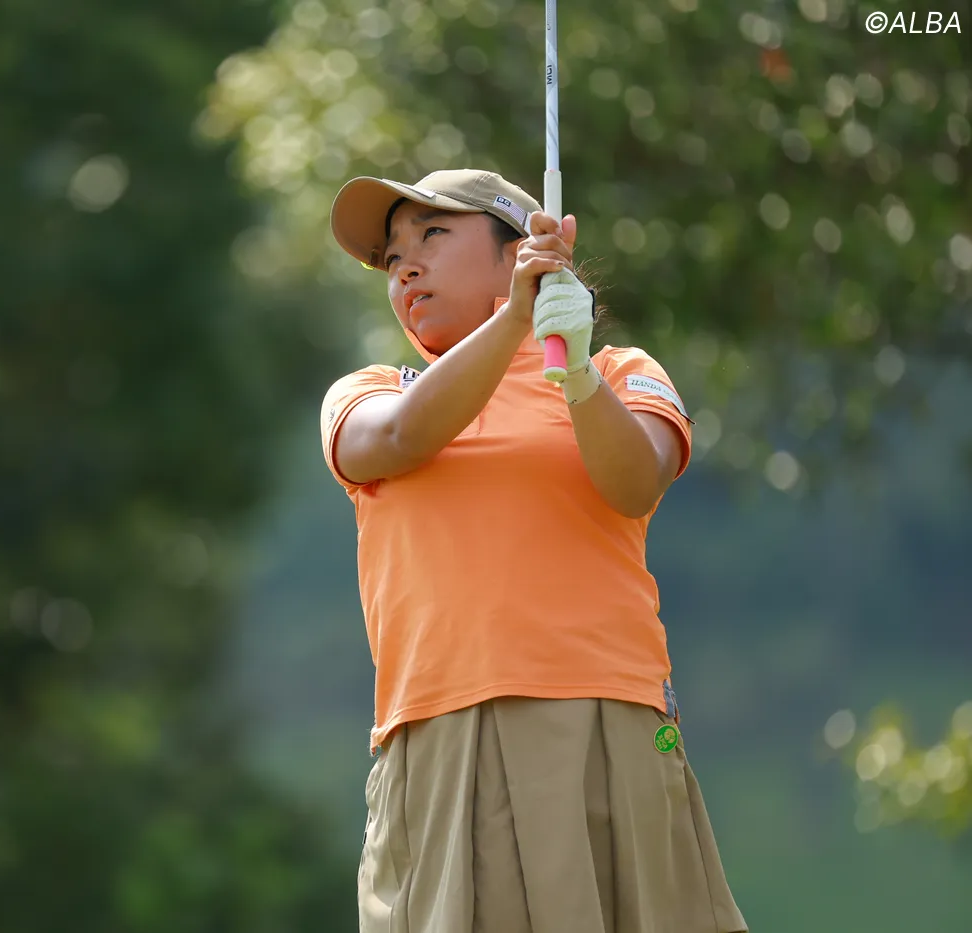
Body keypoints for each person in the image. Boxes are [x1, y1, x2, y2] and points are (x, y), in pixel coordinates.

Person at [319, 168, 747, 933]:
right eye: (392, 258)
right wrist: (516, 316)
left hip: (609, 720)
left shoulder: (619, 373)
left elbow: (635, 482)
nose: (406, 267)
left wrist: (573, 368)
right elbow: (400, 436)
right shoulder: (375, 389)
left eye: (432, 235)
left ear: (518, 251)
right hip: (441, 733)